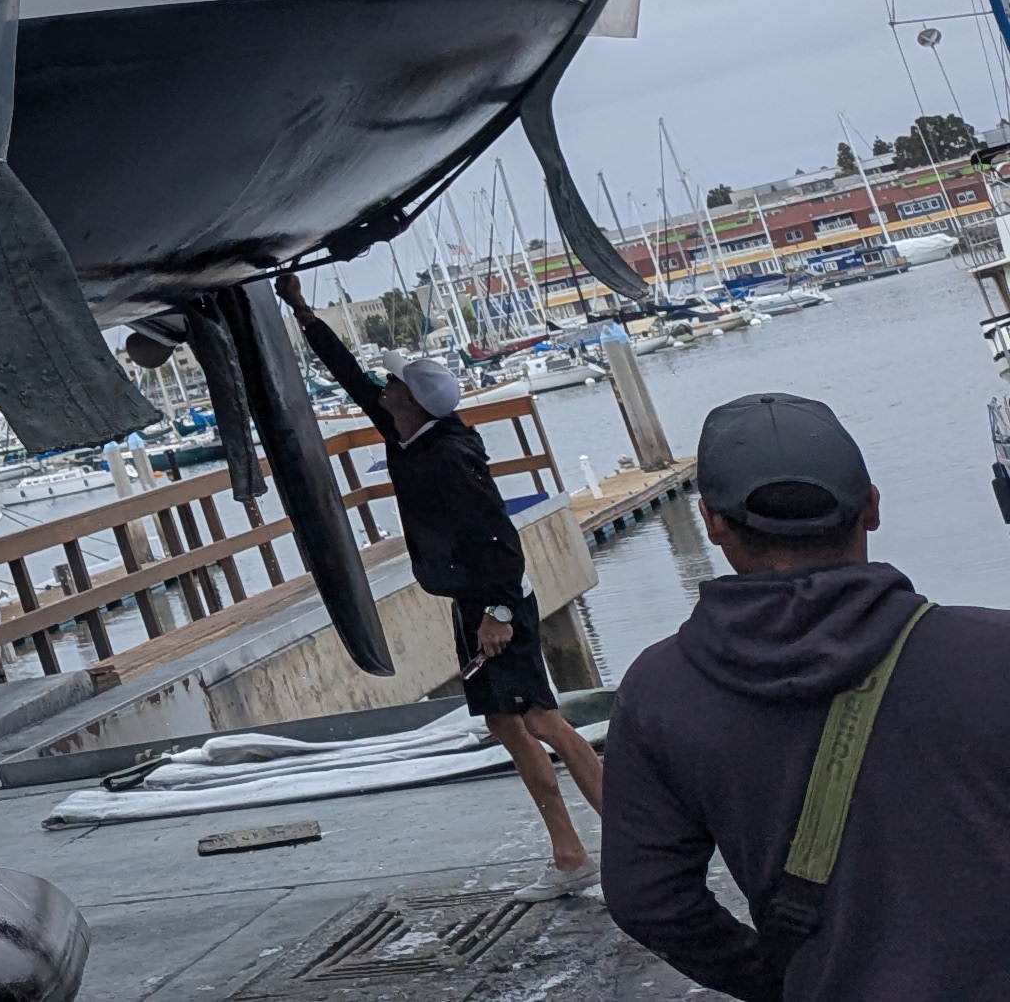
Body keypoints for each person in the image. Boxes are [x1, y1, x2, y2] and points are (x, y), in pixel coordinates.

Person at [600, 393, 1010, 999]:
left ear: (712, 523)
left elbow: (647, 898)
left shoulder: (658, 692)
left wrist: (782, 978)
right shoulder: (992, 651)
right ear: (871, 506)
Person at [277, 272, 603, 897]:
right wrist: (303, 314)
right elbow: (352, 377)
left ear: (412, 401)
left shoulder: (450, 457)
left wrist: (501, 614)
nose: (385, 387)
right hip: (469, 601)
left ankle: (631, 846)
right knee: (507, 726)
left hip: (499, 599)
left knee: (542, 720)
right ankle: (569, 855)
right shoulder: (406, 431)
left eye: (394, 382)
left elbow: (501, 539)